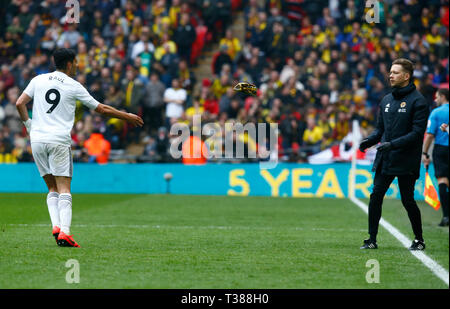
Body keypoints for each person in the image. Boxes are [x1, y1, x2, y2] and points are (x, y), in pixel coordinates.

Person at [15, 48, 143, 248]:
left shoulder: (37, 80)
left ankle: (56, 227)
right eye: (75, 62)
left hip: (37, 140)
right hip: (58, 140)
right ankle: (65, 232)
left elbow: (19, 103)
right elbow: (101, 109)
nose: (77, 66)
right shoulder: (73, 86)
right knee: (65, 188)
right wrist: (127, 116)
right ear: (68, 64)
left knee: (51, 187)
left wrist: (29, 126)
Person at [359, 58, 429, 250]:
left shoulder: (418, 101)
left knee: (407, 200)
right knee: (376, 196)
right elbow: (379, 129)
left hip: (406, 159)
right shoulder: (386, 100)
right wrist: (368, 141)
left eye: (395, 72)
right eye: (390, 72)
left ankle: (419, 239)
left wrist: (392, 144)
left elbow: (416, 134)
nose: (391, 75)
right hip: (386, 158)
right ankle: (371, 239)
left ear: (406, 76)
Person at [422, 88, 449, 227]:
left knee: (442, 180)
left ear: (442, 96)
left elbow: (430, 135)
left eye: (437, 97)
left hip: (442, 149)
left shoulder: (436, 112)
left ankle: (446, 216)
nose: (435, 99)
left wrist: (424, 152)